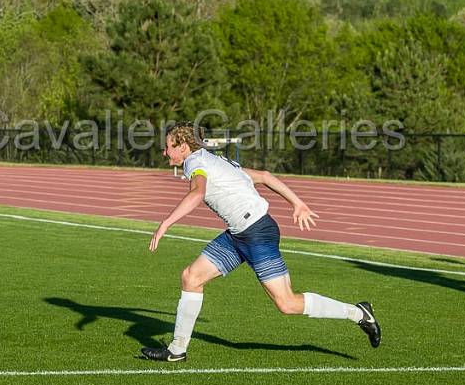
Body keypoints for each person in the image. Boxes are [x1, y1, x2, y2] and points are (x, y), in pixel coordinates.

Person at [141, 122, 380, 362]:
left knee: (287, 303)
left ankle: (359, 313)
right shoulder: (213, 160)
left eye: (168, 147)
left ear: (183, 146)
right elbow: (265, 177)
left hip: (256, 233)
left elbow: (197, 193)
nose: (164, 153)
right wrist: (297, 202)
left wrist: (166, 223)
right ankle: (177, 350)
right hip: (239, 234)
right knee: (191, 278)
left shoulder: (196, 162)